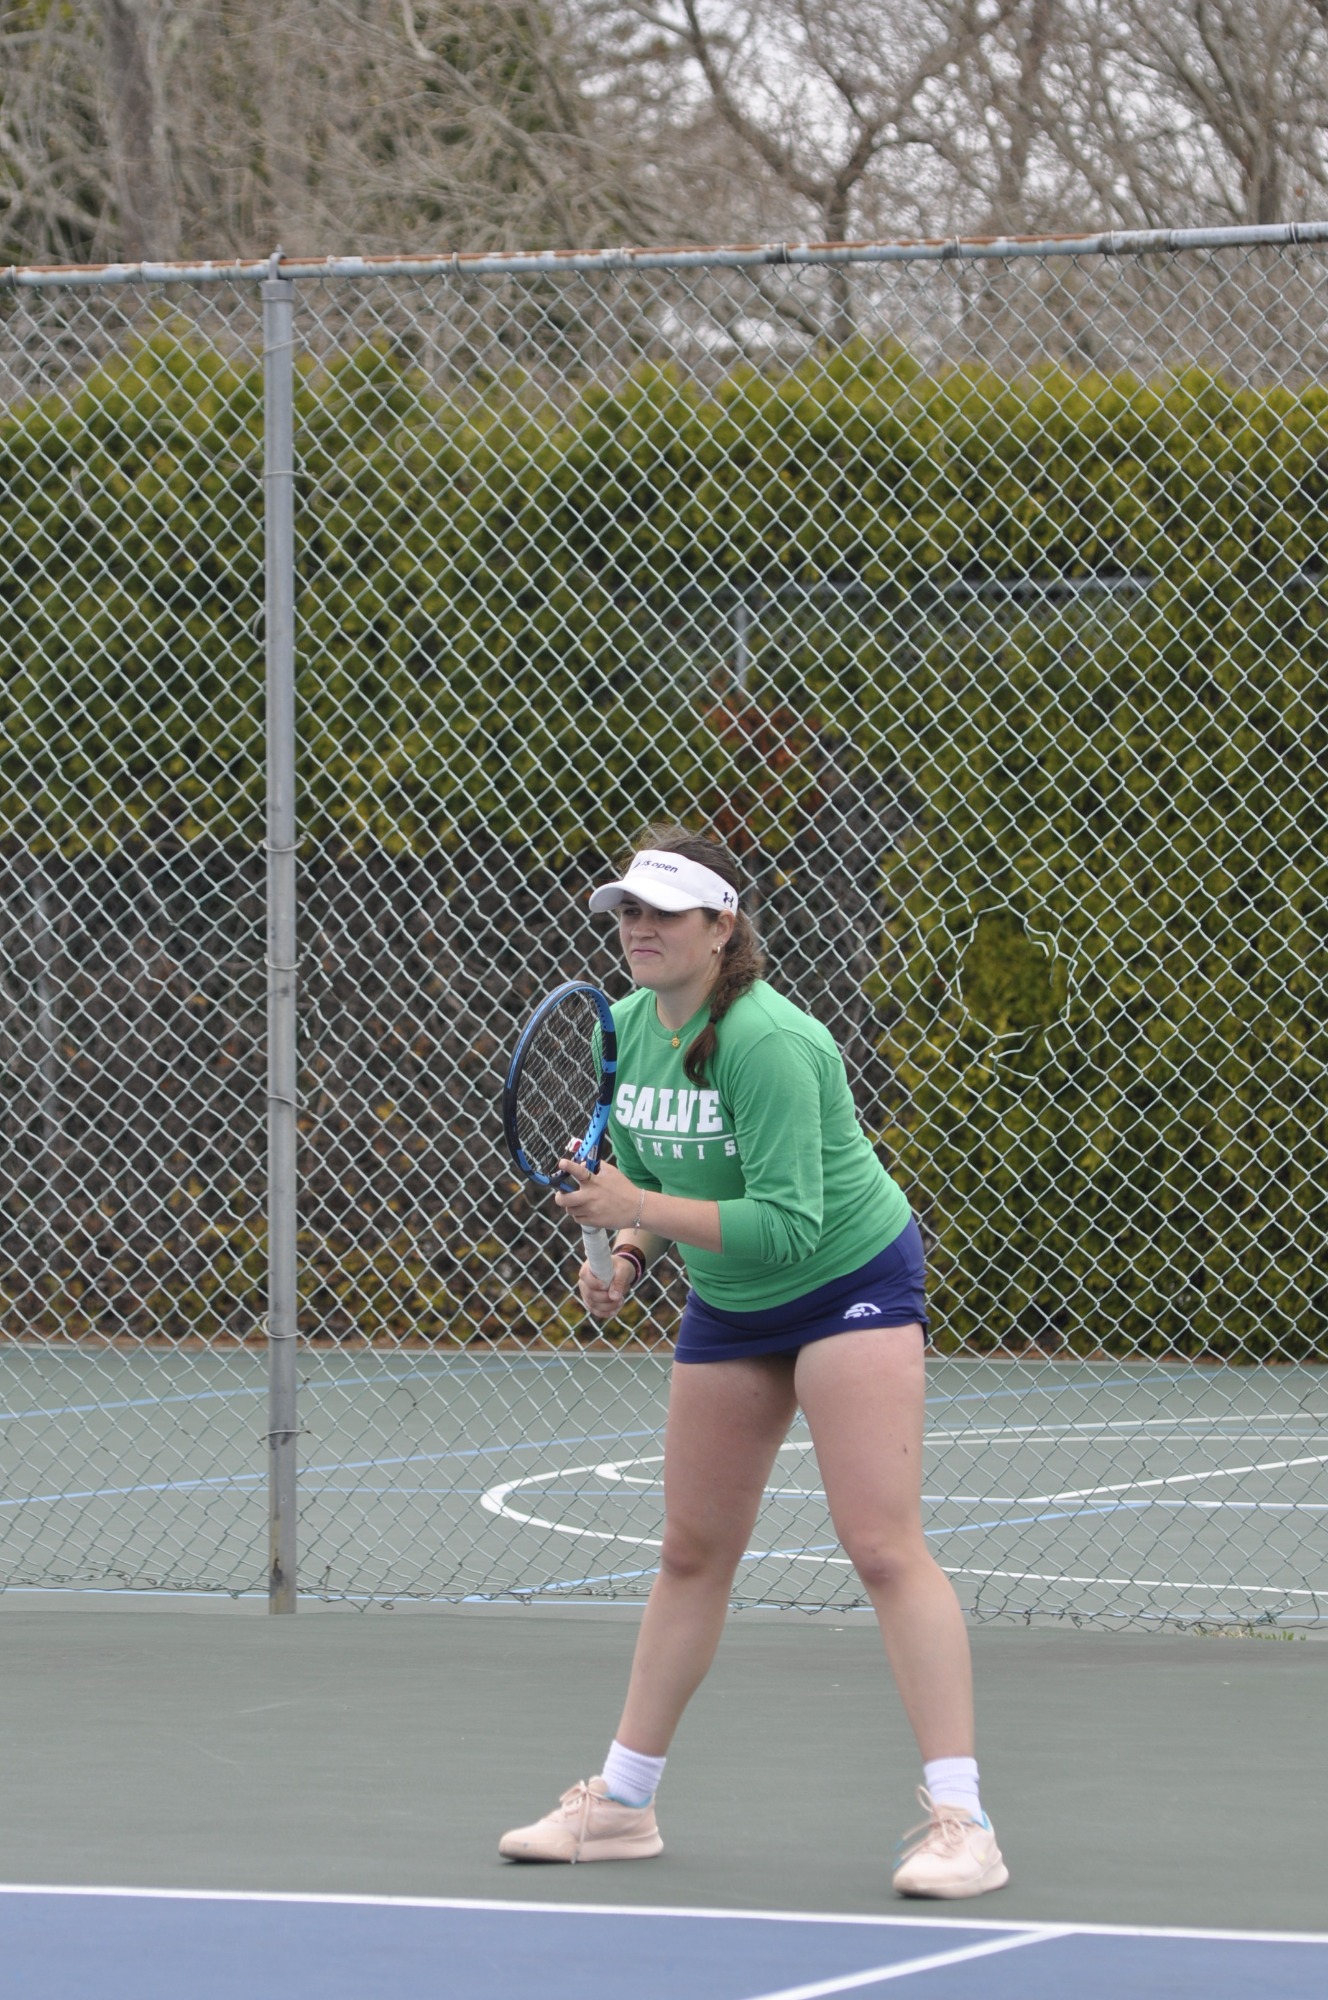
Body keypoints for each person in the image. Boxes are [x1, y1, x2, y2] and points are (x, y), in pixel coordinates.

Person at [498, 824, 1007, 1899]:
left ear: (720, 927)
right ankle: (623, 1806)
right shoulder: (626, 1029)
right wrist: (630, 1250)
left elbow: (783, 1221)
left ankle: (961, 1821)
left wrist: (634, 1206)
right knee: (689, 1550)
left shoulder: (773, 1041)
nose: (638, 928)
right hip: (730, 1302)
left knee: (878, 1546)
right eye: (625, 911)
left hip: (846, 1281)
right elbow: (648, 1160)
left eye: (663, 912)